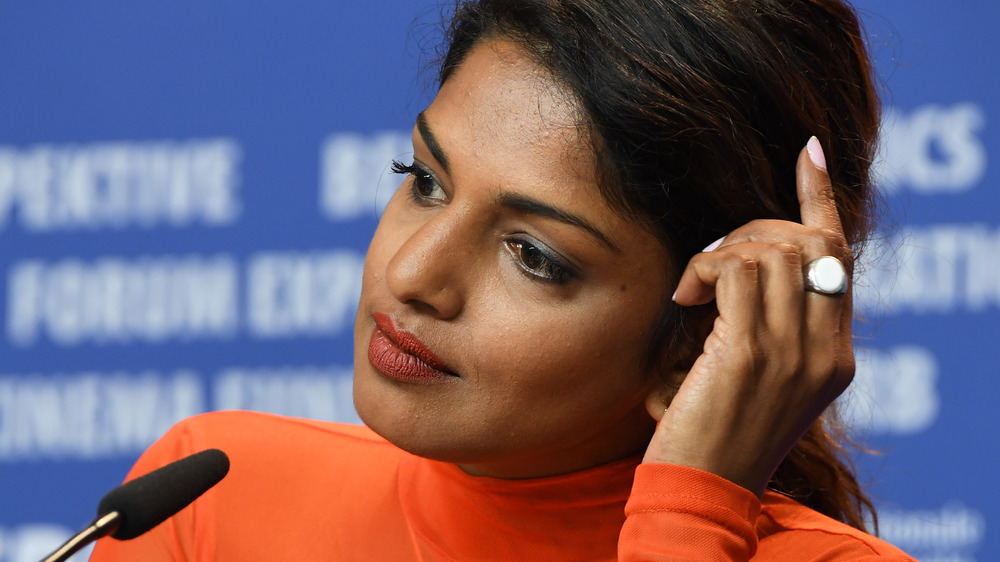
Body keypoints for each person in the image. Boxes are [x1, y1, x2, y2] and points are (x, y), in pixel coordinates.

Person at [91, 0, 915, 559]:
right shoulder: (210, 500)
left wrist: (687, 525)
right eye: (423, 181)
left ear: (702, 335)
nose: (411, 274)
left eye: (533, 255)